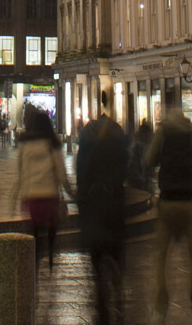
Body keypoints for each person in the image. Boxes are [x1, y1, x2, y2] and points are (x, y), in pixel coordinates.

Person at [143, 87, 192, 324]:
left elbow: (149, 159)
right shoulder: (189, 131)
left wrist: (163, 161)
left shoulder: (163, 132)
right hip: (188, 200)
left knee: (160, 256)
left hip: (168, 200)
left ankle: (159, 308)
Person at [76, 92, 131, 325]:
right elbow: (125, 167)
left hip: (95, 202)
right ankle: (118, 281)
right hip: (114, 199)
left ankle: (102, 303)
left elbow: (82, 174)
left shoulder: (88, 140)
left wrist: (82, 198)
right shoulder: (118, 137)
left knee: (97, 257)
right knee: (116, 247)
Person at [14, 105, 72, 266]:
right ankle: (52, 253)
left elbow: (20, 171)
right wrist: (70, 191)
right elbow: (61, 172)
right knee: (51, 227)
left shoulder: (25, 145)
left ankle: (35, 261)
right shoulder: (53, 144)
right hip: (49, 196)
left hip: (31, 197)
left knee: (34, 233)